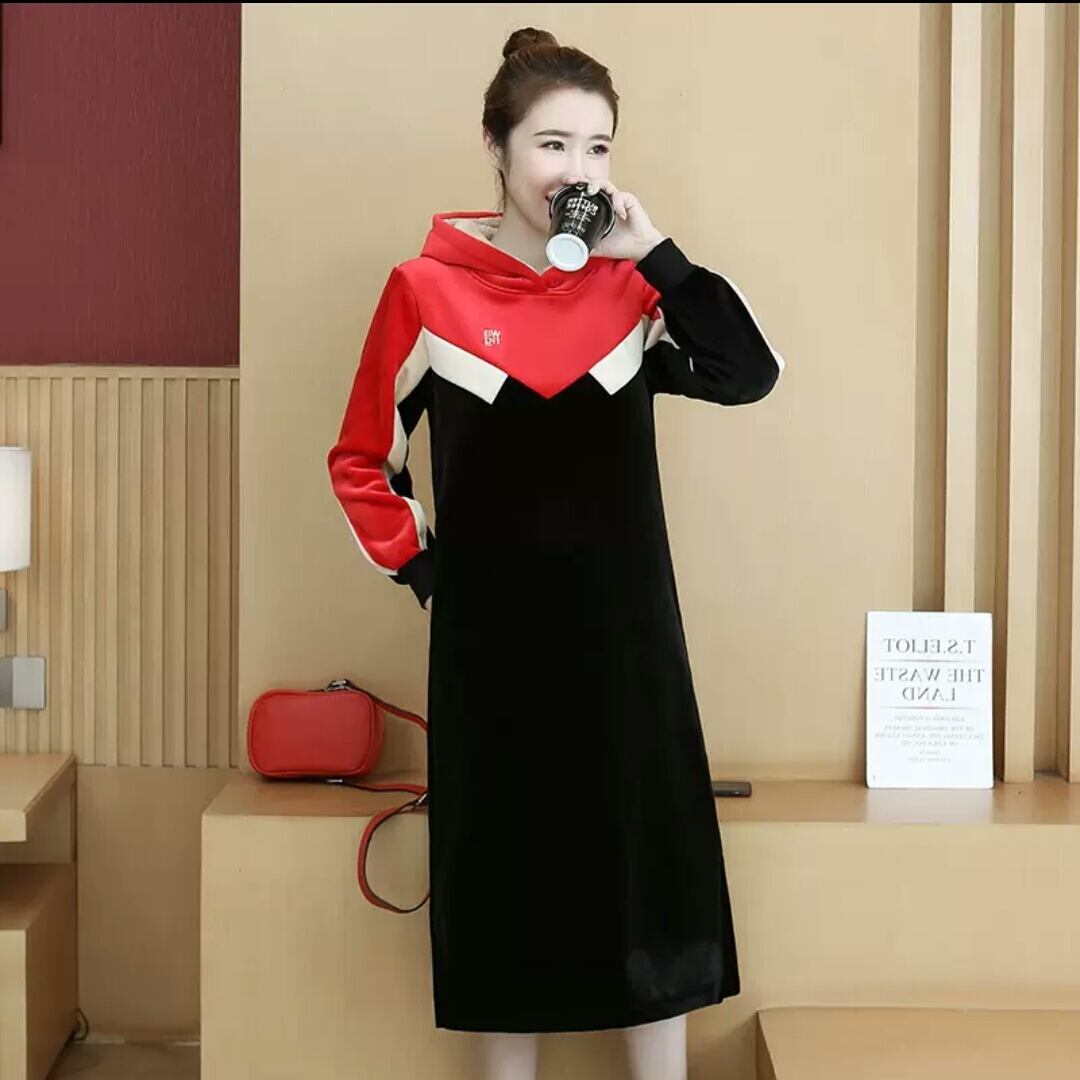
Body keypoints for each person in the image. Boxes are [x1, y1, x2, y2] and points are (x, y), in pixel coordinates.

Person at [327, 26, 785, 1080]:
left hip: (630, 641)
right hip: (493, 654)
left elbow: (748, 371)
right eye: (552, 144)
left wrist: (655, 254)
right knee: (504, 878)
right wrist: (432, 577)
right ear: (495, 147)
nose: (577, 170)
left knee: (648, 875)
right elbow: (361, 459)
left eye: (598, 147)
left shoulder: (634, 295)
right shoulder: (423, 291)